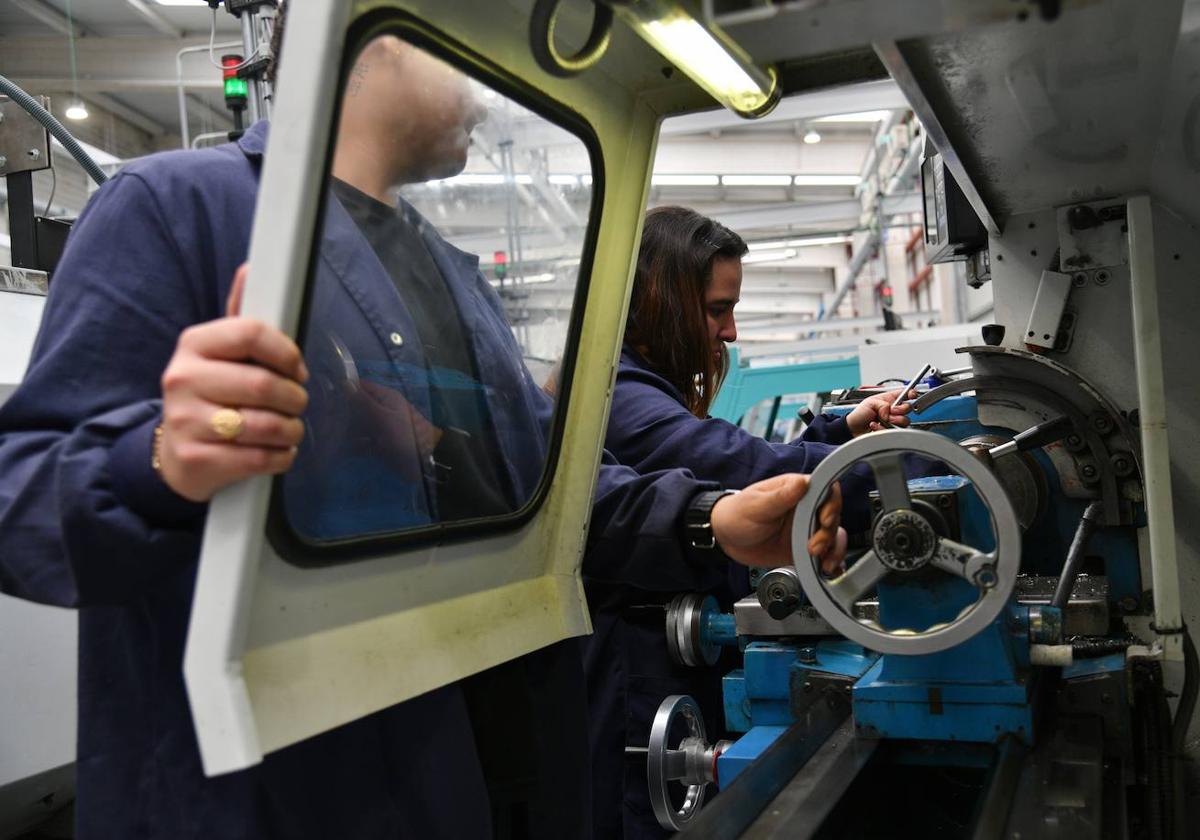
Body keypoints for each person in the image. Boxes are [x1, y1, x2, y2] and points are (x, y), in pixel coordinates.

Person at [0, 22, 840, 840]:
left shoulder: (447, 277)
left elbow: (543, 480)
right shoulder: (175, 210)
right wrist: (158, 460)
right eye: (468, 47)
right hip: (276, 796)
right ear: (380, 41)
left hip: (474, 774)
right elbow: (20, 495)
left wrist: (710, 522)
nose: (485, 90)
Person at [584, 205, 916, 839]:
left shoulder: (645, 386)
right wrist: (897, 461)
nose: (730, 331)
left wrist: (838, 432)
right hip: (640, 682)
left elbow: (735, 458)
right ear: (658, 300)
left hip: (674, 663)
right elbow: (741, 466)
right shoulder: (619, 397)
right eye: (716, 310)